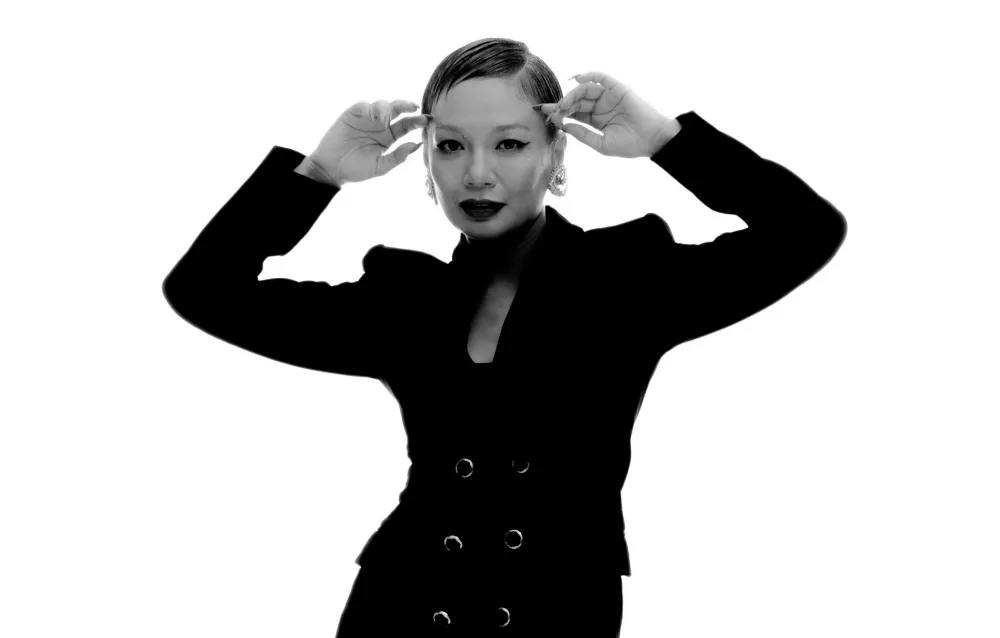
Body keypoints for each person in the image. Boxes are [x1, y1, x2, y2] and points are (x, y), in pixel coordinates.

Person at [162, 37, 847, 638]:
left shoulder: (627, 280)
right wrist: (317, 175)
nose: (477, 173)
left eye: (510, 143)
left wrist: (669, 140)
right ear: (427, 163)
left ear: (557, 154)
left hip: (560, 613)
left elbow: (806, 233)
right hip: (397, 607)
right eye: (451, 145)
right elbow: (204, 291)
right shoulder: (402, 298)